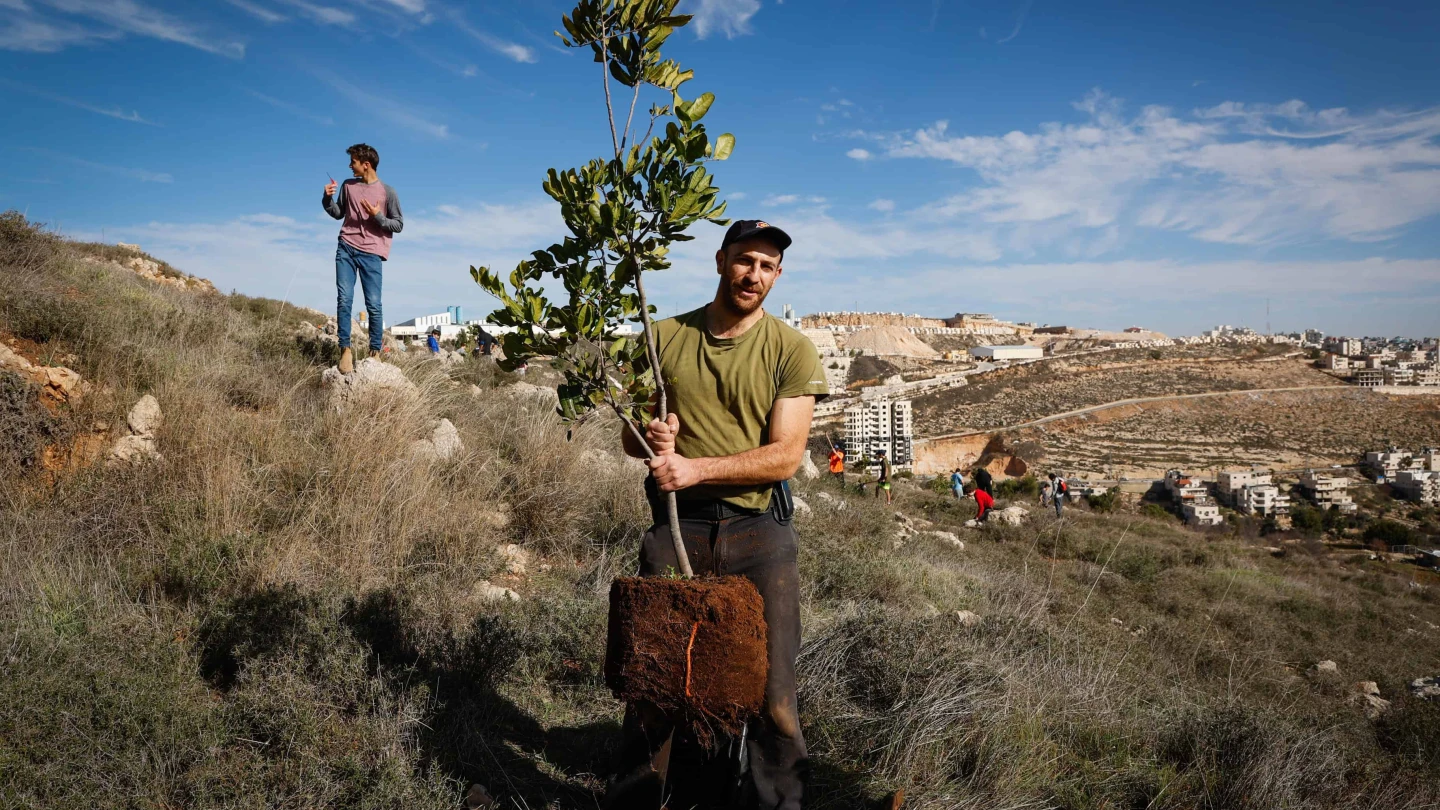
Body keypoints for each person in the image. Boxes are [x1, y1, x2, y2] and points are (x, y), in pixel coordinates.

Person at [612, 220, 827, 810]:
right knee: (652, 687)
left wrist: (696, 468)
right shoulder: (663, 337)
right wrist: (653, 437)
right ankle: (637, 799)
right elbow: (631, 439)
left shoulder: (791, 349)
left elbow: (785, 456)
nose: (754, 275)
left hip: (759, 532)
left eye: (767, 266)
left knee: (774, 698)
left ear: (777, 276)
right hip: (677, 526)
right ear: (719, 260)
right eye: (744, 260)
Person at [323, 143, 403, 375]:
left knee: (373, 305)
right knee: (344, 299)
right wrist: (327, 199)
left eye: (354, 162)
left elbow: (398, 224)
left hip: (372, 253)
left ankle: (374, 352)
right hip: (346, 247)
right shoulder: (348, 186)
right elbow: (338, 213)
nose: (350, 166)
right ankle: (345, 350)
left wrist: (377, 216)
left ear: (366, 164)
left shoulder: (388, 192)